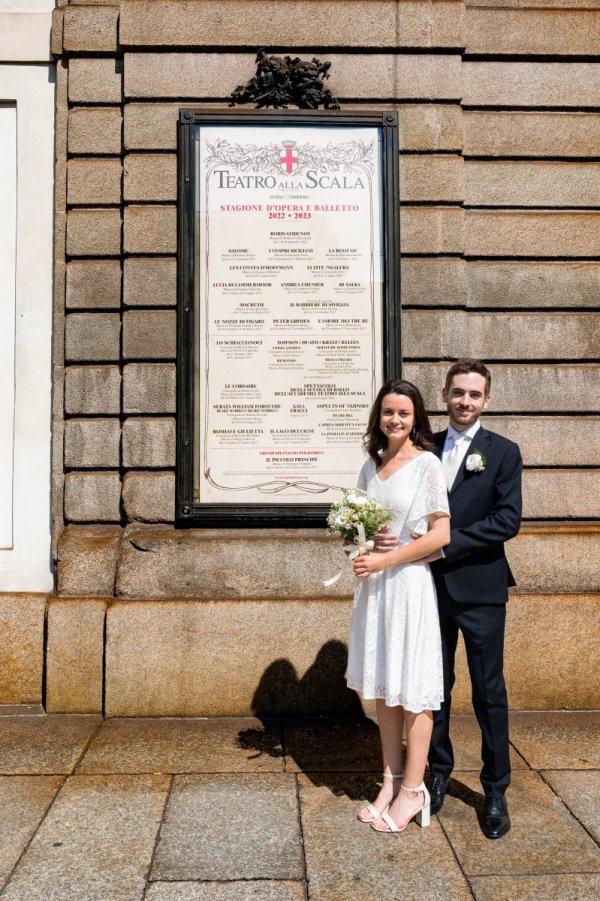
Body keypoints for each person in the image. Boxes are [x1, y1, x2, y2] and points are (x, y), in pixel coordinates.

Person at [347, 379, 450, 834]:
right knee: (386, 688)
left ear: (416, 419)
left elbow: (440, 533)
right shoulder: (372, 466)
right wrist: (364, 543)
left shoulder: (427, 464)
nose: (395, 420)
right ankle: (389, 782)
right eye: (388, 412)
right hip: (377, 589)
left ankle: (413, 790)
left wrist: (387, 557)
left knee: (415, 690)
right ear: (379, 416)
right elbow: (352, 530)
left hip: (408, 585)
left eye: (404, 414)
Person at [426, 359, 522, 839]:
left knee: (489, 693)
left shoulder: (502, 452)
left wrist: (447, 542)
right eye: (457, 392)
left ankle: (496, 788)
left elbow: (508, 520)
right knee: (434, 687)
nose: (465, 401)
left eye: (474, 394)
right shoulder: (423, 447)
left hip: (481, 589)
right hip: (426, 589)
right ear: (444, 394)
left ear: (487, 401)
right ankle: (438, 771)